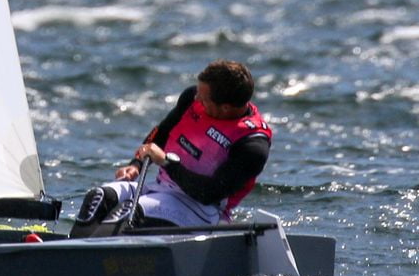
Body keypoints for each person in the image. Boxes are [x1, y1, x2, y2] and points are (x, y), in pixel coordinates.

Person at [69, 59, 272, 236]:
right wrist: (136, 164)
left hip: (201, 211)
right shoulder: (192, 98)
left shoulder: (252, 145)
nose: (196, 99)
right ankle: (68, 253)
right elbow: (162, 131)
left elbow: (209, 193)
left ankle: (88, 258)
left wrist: (166, 162)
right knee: (98, 197)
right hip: (161, 189)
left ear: (226, 107)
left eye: (203, 98)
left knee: (129, 213)